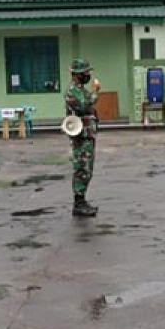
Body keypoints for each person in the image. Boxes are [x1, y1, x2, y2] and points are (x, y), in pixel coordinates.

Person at [64, 58, 100, 217]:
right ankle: (78, 203)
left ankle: (82, 200)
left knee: (87, 169)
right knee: (81, 169)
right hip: (81, 136)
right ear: (77, 74)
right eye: (85, 72)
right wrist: (96, 92)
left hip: (88, 134)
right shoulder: (72, 91)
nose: (88, 75)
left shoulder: (80, 89)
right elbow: (85, 105)